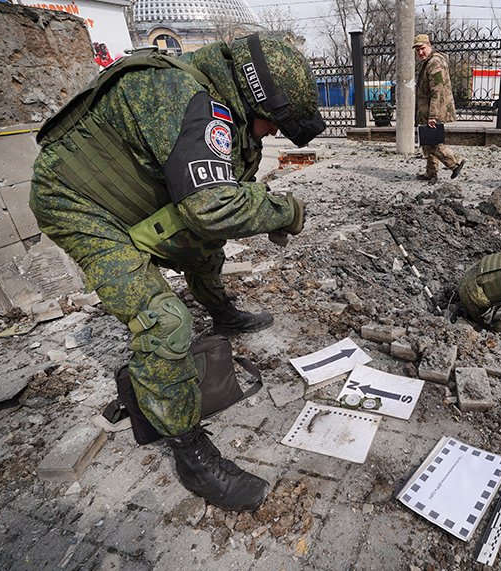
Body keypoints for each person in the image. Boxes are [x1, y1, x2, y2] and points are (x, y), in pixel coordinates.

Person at [30, 34, 325, 511]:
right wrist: (284, 211)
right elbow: (212, 207)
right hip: (77, 205)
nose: (272, 133)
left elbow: (218, 199)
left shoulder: (219, 105)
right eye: (274, 123)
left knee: (203, 247)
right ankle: (192, 456)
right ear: (255, 96)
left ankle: (222, 312)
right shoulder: (183, 98)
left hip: (130, 197)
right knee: (165, 323)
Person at [413, 34, 465, 184]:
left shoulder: (435, 62)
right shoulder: (429, 62)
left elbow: (438, 90)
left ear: (429, 45)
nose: (420, 52)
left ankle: (455, 163)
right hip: (427, 110)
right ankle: (431, 172)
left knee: (433, 143)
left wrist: (433, 115)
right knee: (428, 142)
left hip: (433, 110)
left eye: (422, 48)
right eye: (417, 50)